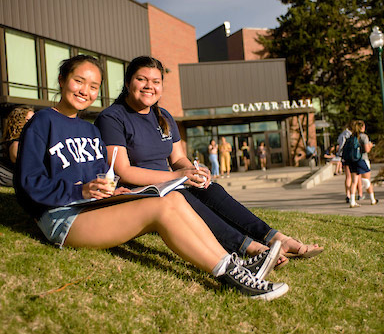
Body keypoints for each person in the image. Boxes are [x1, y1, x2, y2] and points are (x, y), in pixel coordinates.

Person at [13, 55, 288, 300]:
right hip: (64, 217)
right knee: (161, 208)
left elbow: (102, 178)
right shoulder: (42, 122)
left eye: (93, 86)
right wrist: (81, 191)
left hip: (92, 208)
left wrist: (114, 191)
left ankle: (234, 264)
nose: (85, 90)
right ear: (62, 80)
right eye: (78, 81)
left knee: (175, 198)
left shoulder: (90, 131)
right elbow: (28, 184)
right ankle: (232, 277)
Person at [94, 56, 323, 264]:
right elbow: (123, 170)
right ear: (127, 83)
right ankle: (250, 248)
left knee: (211, 189)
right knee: (181, 195)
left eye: (156, 81)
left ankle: (275, 237)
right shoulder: (112, 117)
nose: (149, 86)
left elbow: (178, 158)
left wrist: (194, 170)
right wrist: (177, 176)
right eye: (141, 79)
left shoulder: (163, 116)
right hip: (138, 192)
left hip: (168, 184)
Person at [345, 120, 378, 208]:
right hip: (362, 160)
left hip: (352, 161)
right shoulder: (363, 137)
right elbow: (366, 150)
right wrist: (370, 146)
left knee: (354, 181)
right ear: (362, 127)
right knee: (367, 180)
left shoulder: (351, 137)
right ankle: (372, 199)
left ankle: (352, 201)